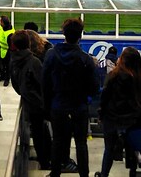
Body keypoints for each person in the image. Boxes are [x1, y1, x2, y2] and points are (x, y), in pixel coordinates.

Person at [43, 18, 98, 177]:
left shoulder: (51, 55)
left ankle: (55, 174)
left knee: (58, 142)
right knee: (81, 143)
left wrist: (47, 106)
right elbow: (94, 87)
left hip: (58, 106)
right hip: (78, 106)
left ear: (64, 33)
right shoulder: (85, 59)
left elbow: (45, 83)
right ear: (80, 35)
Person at [95, 46, 141, 177]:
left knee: (108, 149)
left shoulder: (113, 75)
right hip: (133, 121)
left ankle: (104, 174)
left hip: (112, 119)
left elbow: (104, 98)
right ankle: (132, 173)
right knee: (132, 150)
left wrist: (101, 115)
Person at [11, 30, 52, 171]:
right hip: (38, 103)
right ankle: (45, 162)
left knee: (39, 132)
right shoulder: (33, 61)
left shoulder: (14, 61)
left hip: (29, 102)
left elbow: (15, 83)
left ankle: (45, 158)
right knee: (40, 133)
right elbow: (43, 83)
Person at [0, 16, 15, 87]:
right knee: (0, 65)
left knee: (7, 66)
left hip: (7, 51)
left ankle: (7, 79)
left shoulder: (10, 33)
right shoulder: (1, 27)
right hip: (0, 49)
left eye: (0, 20)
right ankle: (2, 76)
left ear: (3, 23)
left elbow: (11, 45)